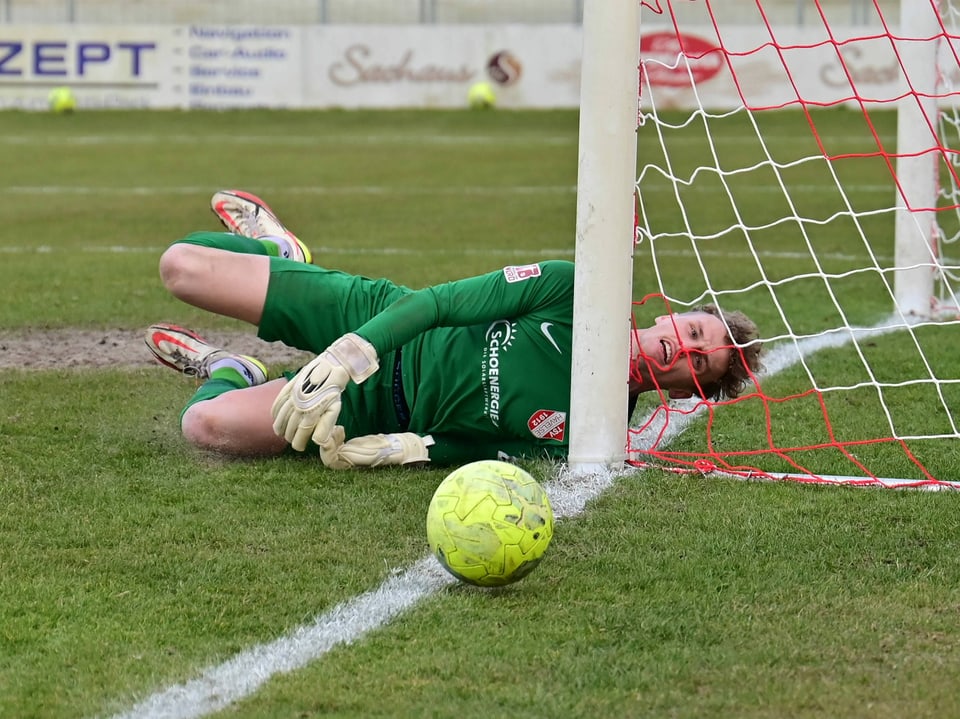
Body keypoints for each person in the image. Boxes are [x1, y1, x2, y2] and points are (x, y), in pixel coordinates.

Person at [146, 190, 763, 468]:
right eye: (695, 329)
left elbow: (482, 446)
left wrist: (404, 449)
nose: (686, 346)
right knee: (183, 266)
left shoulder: (595, 437)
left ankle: (231, 369)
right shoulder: (576, 290)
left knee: (205, 426)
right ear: (671, 315)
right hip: (384, 322)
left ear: (687, 392)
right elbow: (439, 302)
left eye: (700, 361)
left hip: (376, 408)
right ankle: (282, 253)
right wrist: (353, 350)